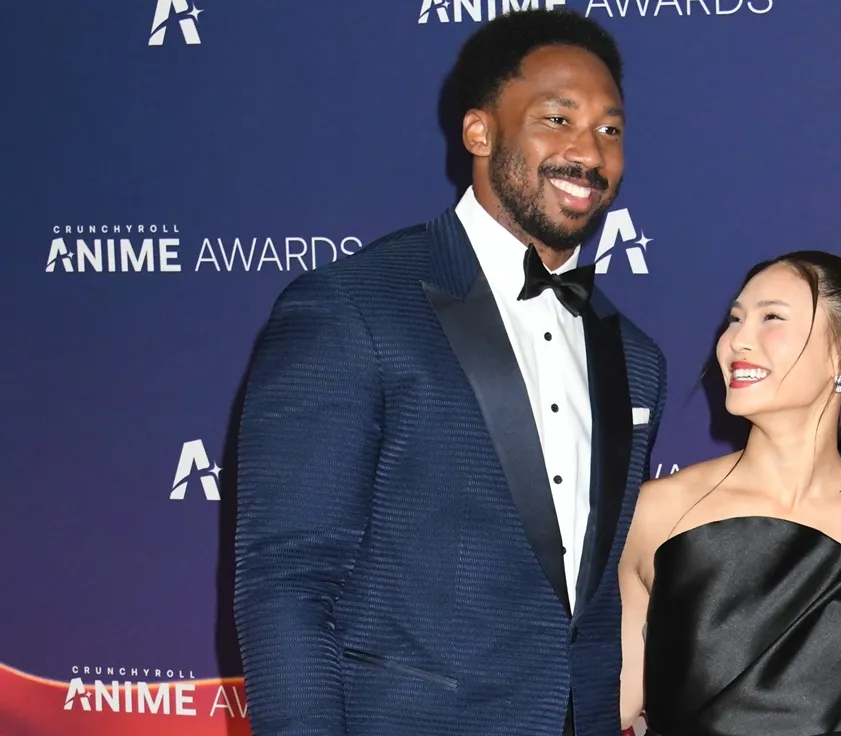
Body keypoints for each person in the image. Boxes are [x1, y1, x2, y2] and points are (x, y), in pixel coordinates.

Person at [232, 9, 667, 736]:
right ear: (480, 132)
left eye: (610, 130)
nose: (588, 151)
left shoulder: (634, 356)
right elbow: (288, 583)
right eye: (556, 119)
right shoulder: (351, 308)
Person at [618, 251, 841, 736]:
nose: (736, 341)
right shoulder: (657, 509)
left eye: (771, 317)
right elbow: (614, 701)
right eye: (735, 319)